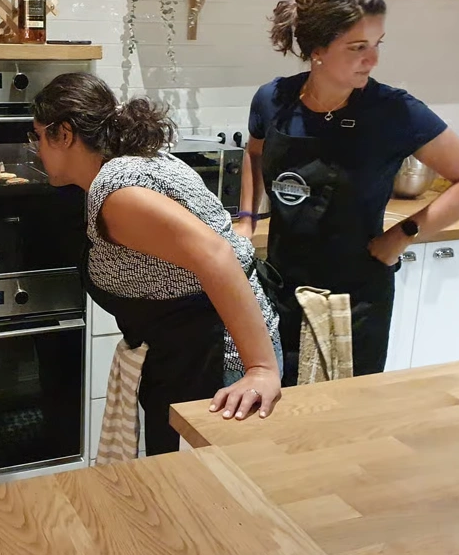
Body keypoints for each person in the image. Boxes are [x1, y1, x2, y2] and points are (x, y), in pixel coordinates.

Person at [235, 0, 459, 387]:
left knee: (342, 418)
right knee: (279, 413)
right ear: (317, 49)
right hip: (280, 289)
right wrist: (247, 218)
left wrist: (404, 234)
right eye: (357, 47)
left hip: (355, 299)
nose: (372, 60)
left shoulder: (394, 111)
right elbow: (253, 152)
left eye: (378, 44)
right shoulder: (274, 99)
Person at [30, 73, 283, 457]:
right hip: (186, 354)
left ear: (64, 134)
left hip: (218, 362)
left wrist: (261, 369)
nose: (36, 150)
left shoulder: (119, 192)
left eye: (38, 137)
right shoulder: (127, 164)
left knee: (207, 499)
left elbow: (217, 255)